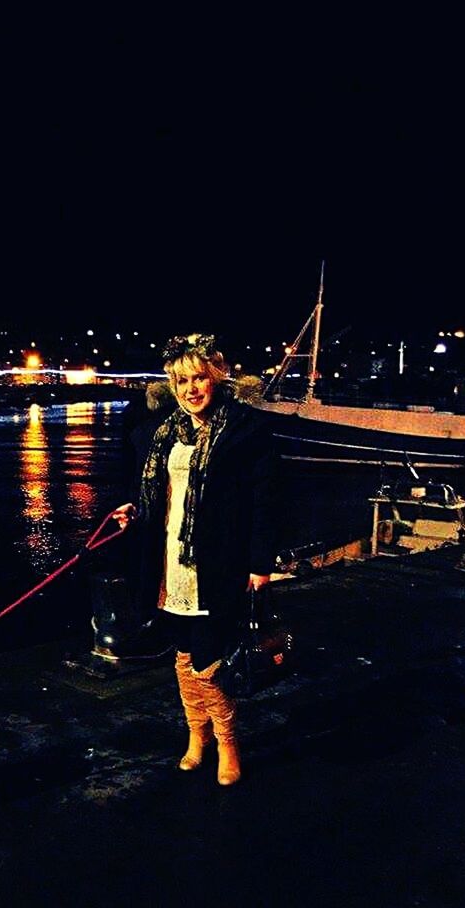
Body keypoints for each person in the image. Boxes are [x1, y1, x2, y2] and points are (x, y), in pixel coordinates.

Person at [113, 333, 281, 786]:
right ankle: (196, 735)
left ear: (217, 377)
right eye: (181, 380)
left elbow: (266, 503)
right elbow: (153, 490)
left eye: (199, 378)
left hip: (218, 563)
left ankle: (228, 743)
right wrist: (134, 510)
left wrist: (260, 564)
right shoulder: (160, 431)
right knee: (184, 653)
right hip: (169, 561)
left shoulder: (246, 430)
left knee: (210, 658)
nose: (191, 389)